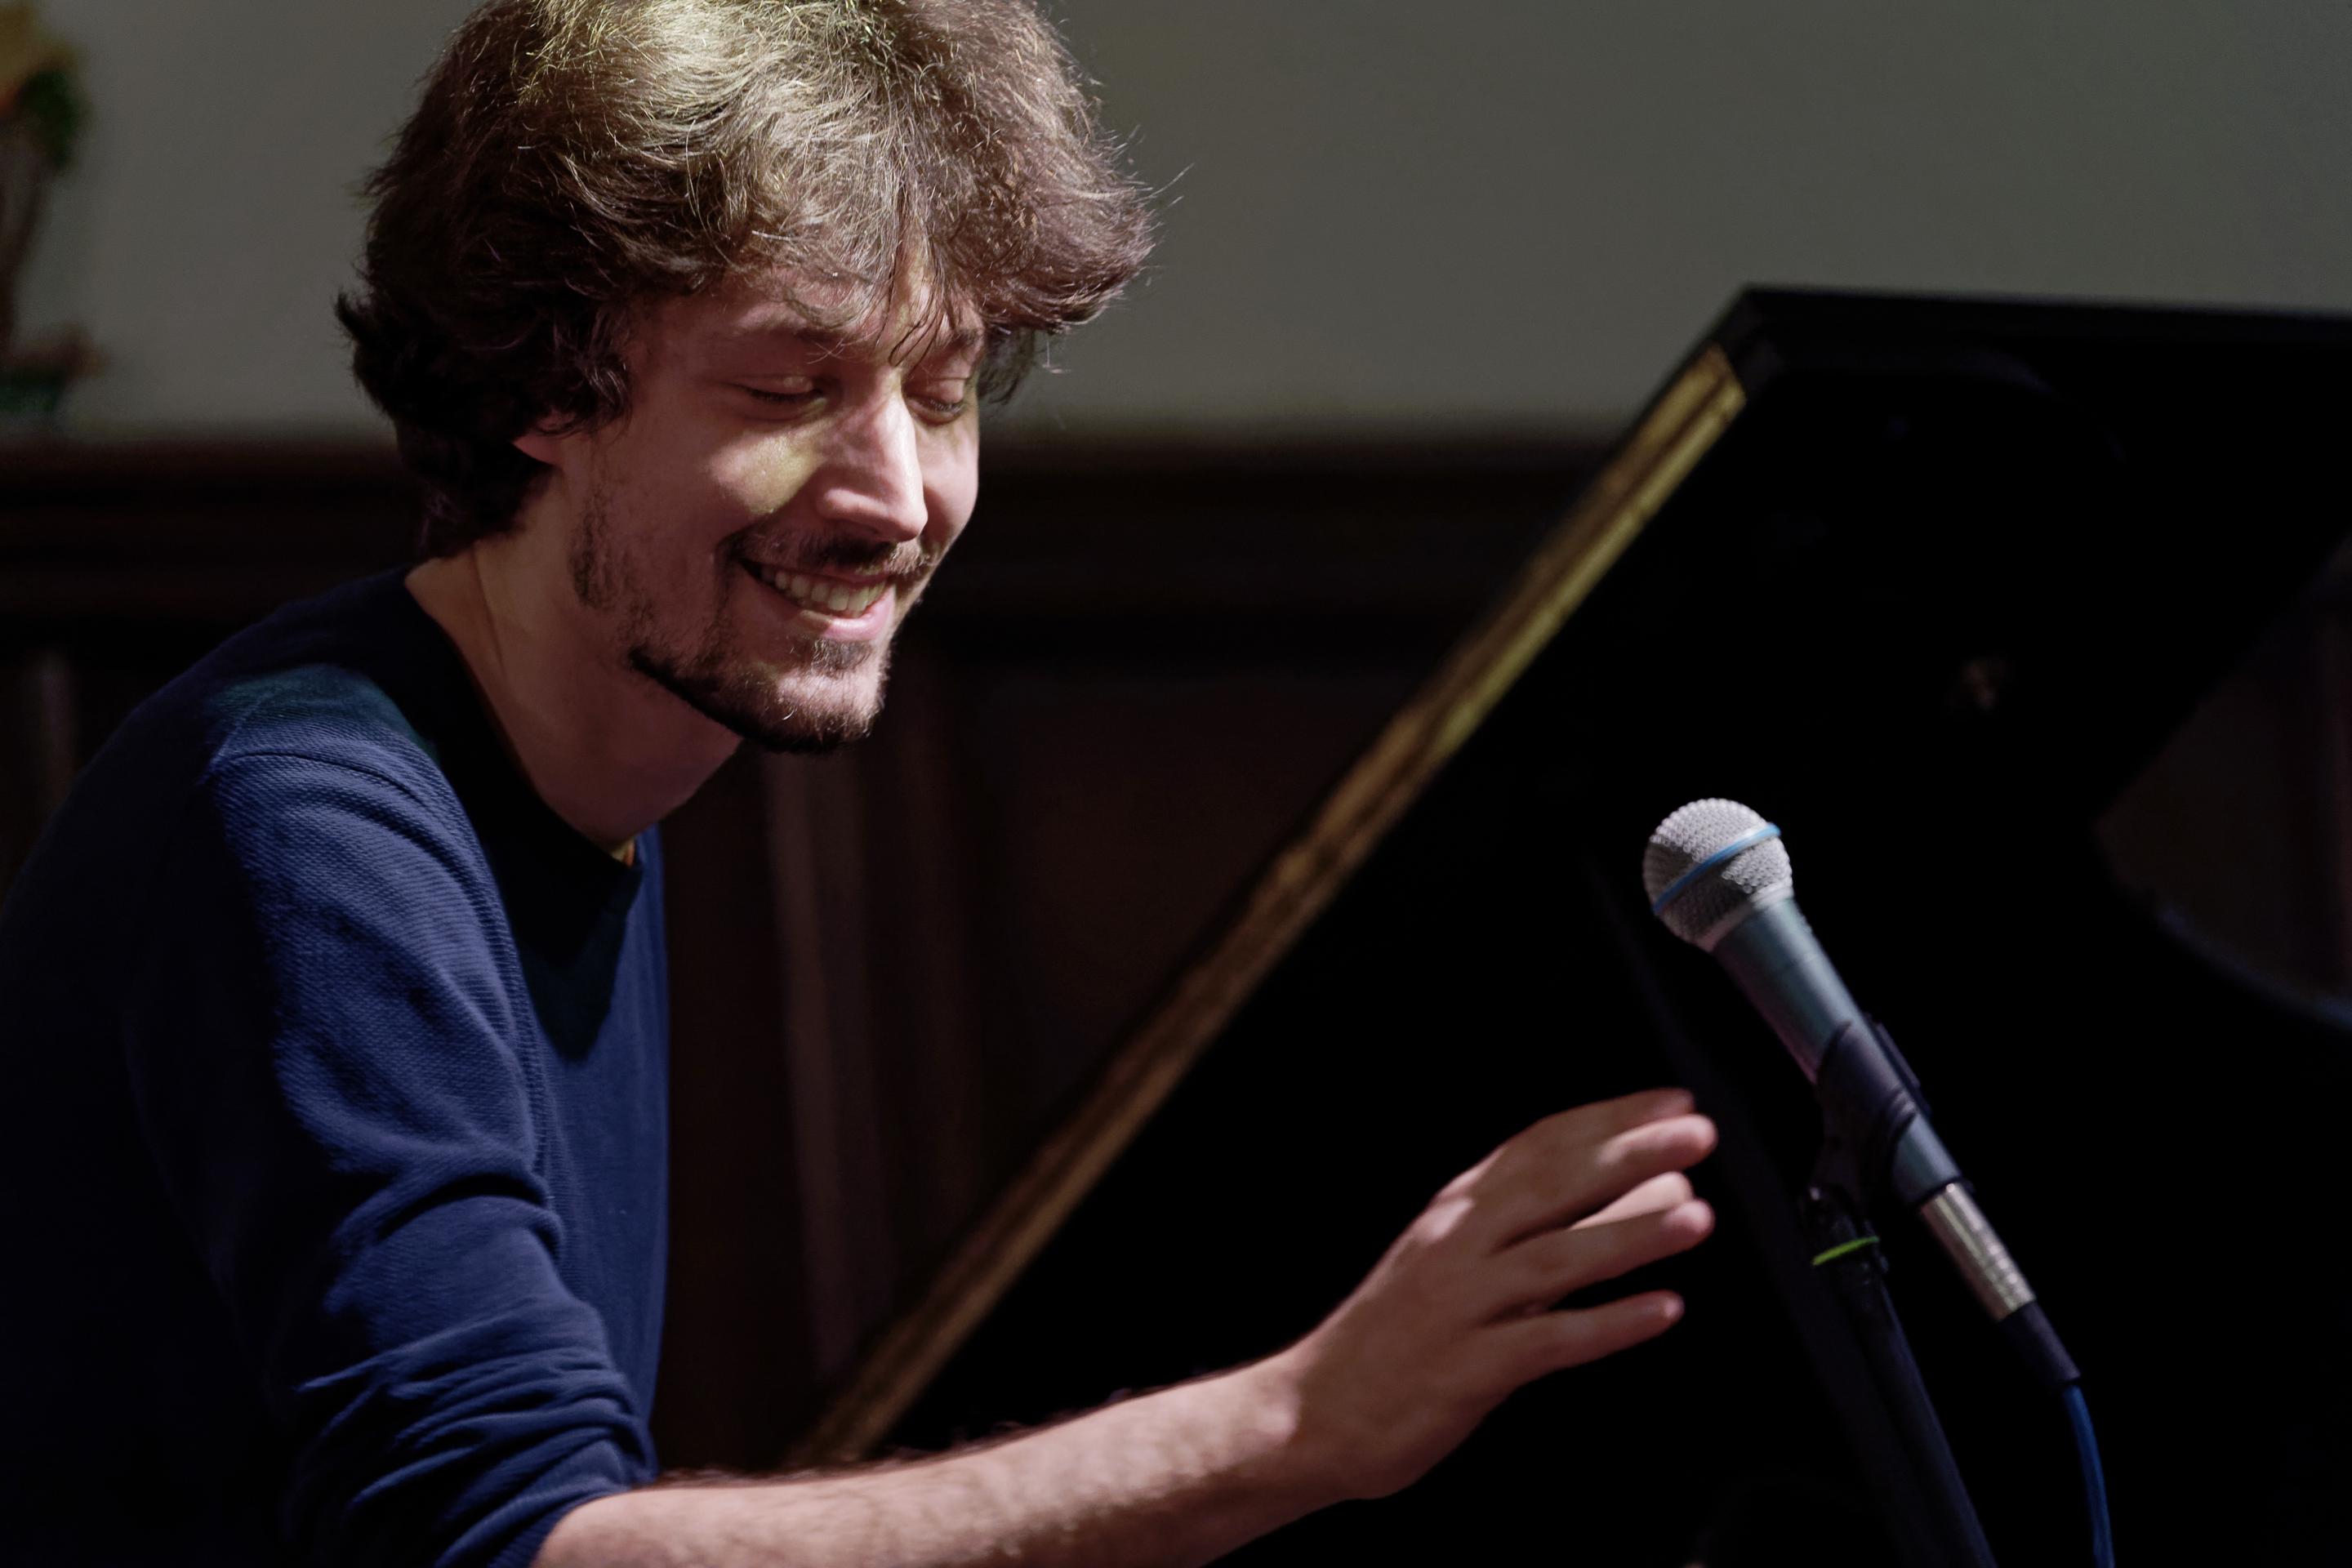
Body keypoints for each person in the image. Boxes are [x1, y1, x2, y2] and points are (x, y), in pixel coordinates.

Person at [0, 2, 1717, 1564]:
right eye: (789, 387)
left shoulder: (585, 768)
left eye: (944, 392)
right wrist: (1294, 1425)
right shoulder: (303, 822)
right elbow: (521, 1550)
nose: (899, 492)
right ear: (542, 381)